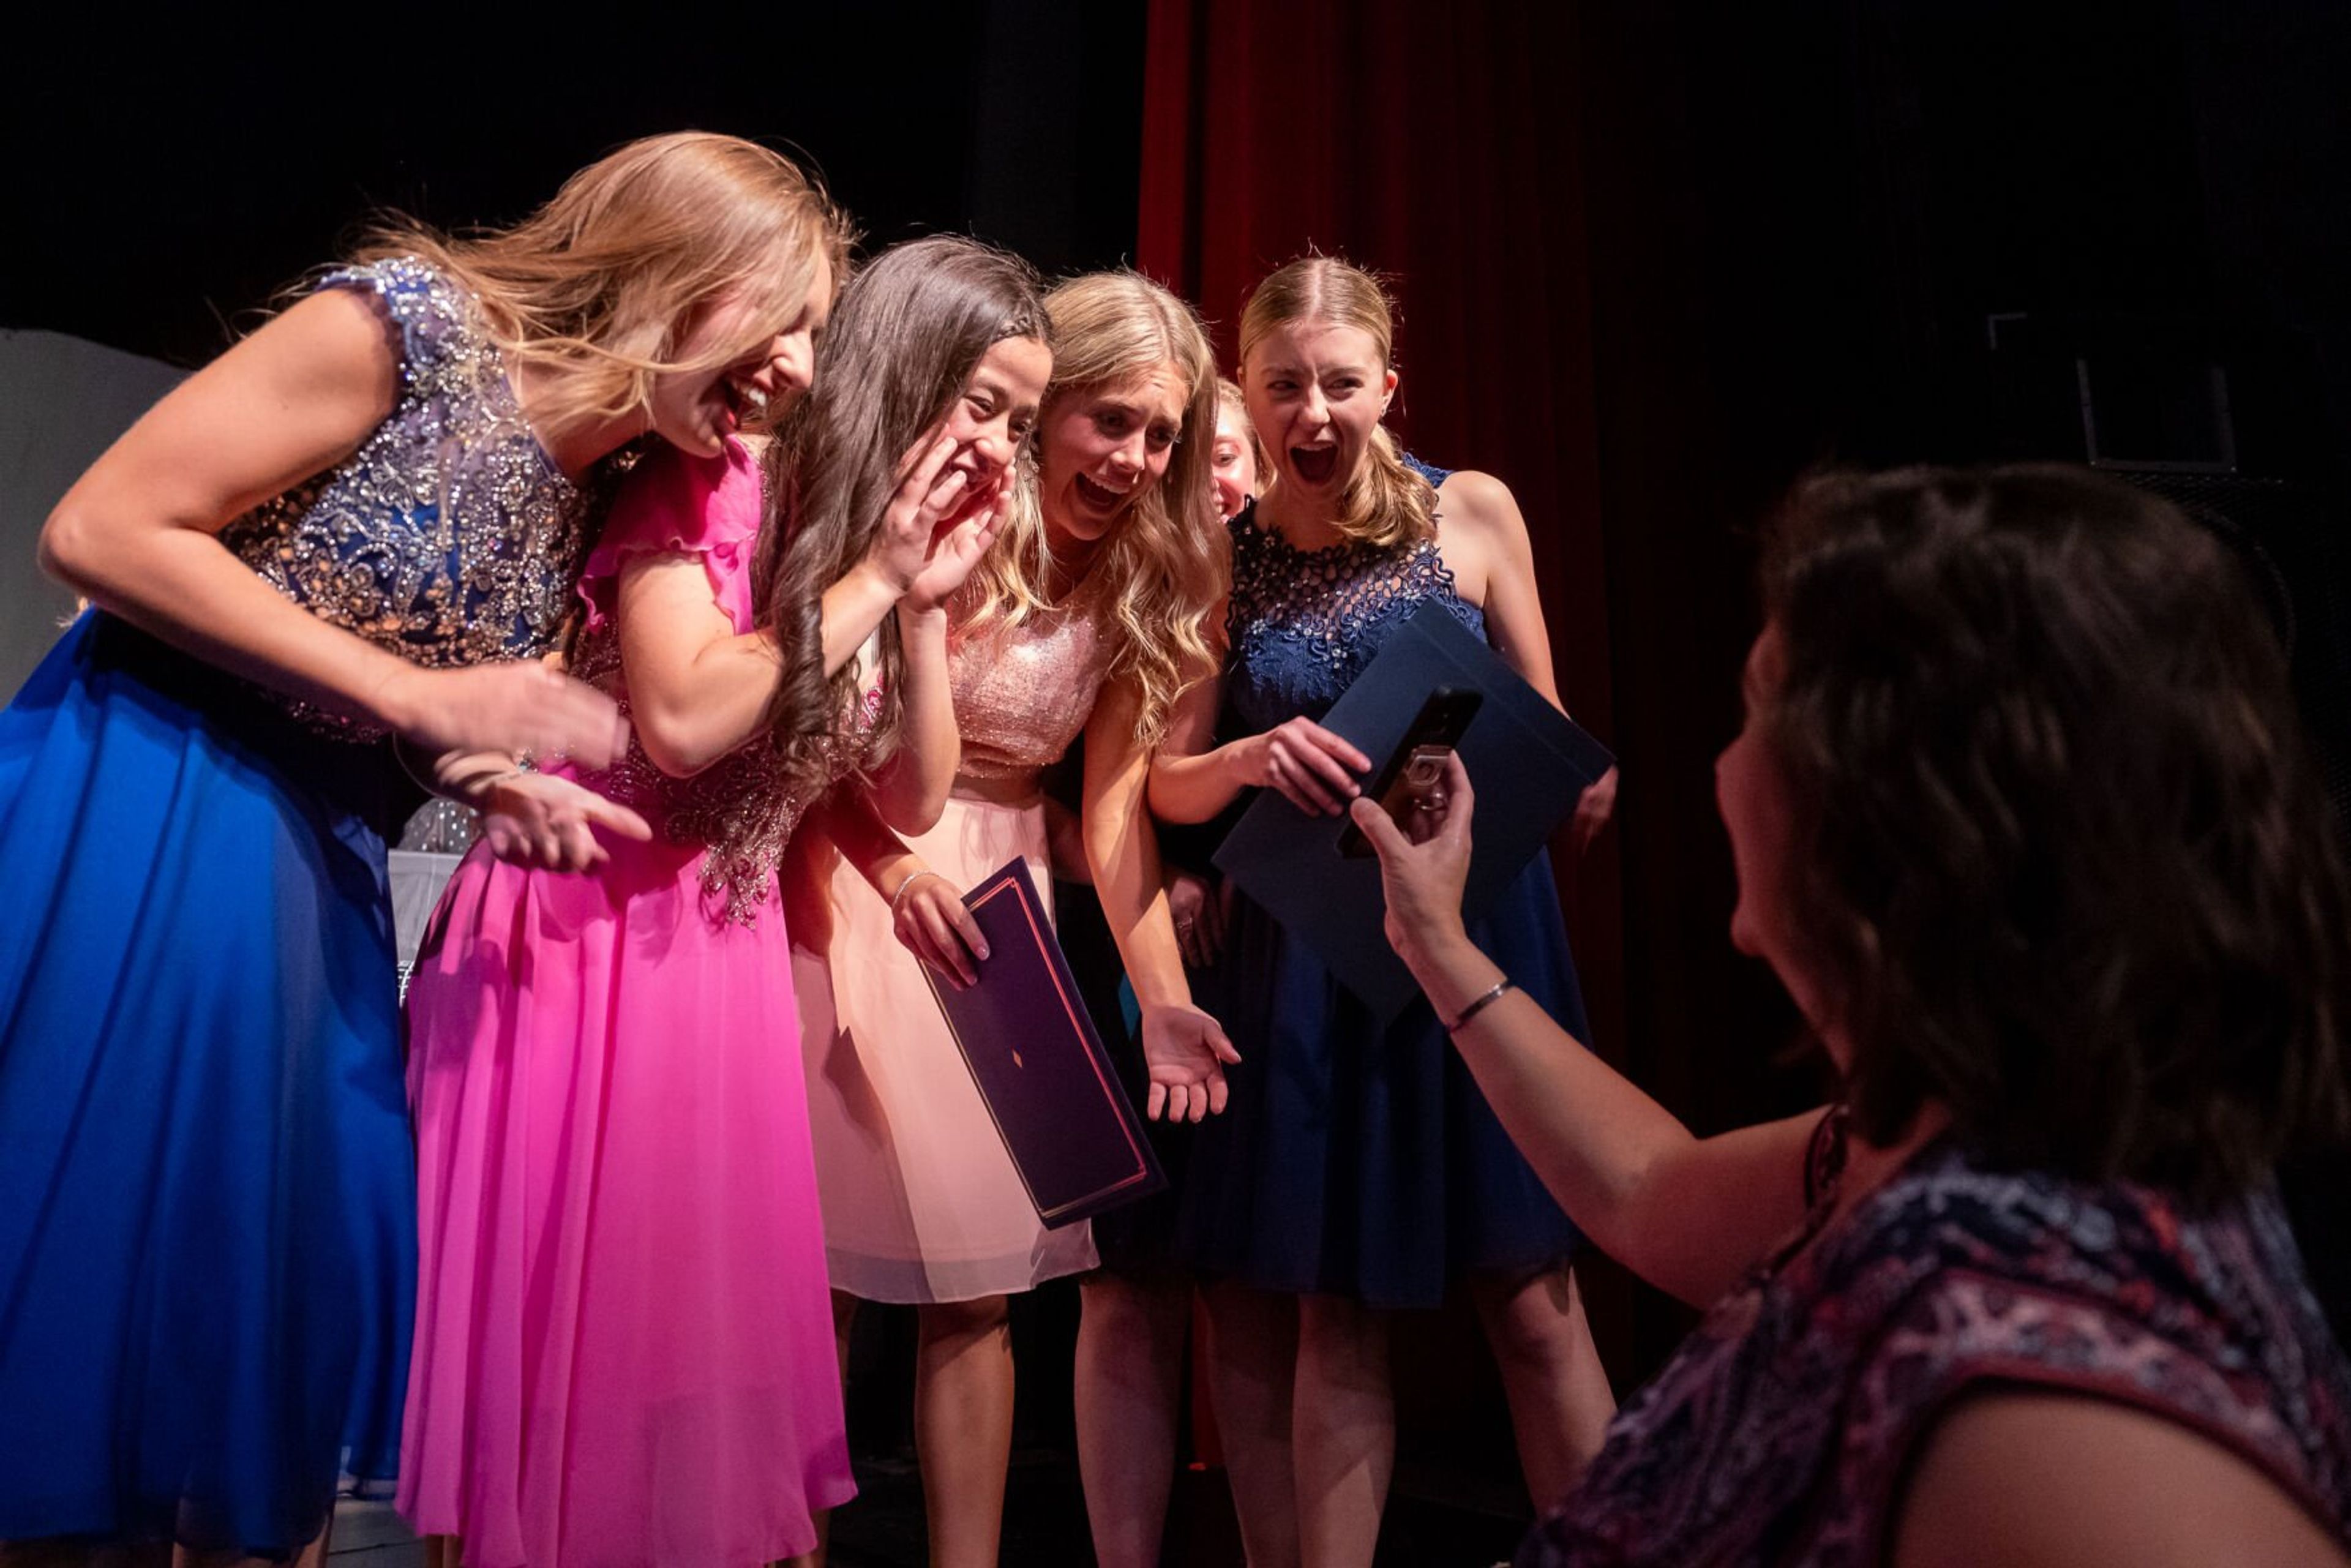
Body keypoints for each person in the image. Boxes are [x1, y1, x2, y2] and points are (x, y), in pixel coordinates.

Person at [0, 131, 831, 1564]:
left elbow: (406, 686)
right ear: (673, 271)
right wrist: (417, 699)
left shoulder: (591, 489)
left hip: (318, 859)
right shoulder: (409, 325)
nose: (803, 370)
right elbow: (101, 526)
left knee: (287, 1300)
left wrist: (480, 769)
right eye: (786, 317)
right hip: (157, 791)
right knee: (99, 1276)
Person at [1355, 463, 2351, 1566]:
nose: (1725, 765)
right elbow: (1648, 1188)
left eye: (1756, 712)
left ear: (1889, 805)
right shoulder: (1964, 1148)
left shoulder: (2043, 1388)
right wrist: (1435, 944)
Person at [398, 234, 1048, 1568]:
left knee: (691, 1376)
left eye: (1021, 424)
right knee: (560, 1384)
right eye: (983, 403)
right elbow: (687, 720)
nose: (998, 444)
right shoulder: (712, 485)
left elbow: (913, 798)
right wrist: (872, 582)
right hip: (591, 939)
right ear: (905, 368)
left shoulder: (868, 544)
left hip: (720, 960)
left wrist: (921, 607)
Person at [1148, 256, 1615, 1567]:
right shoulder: (1216, 559)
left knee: (1530, 1295)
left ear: (1387, 389)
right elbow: (1166, 785)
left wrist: (1586, 780)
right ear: (1246, 390)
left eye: (1340, 385)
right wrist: (1246, 760)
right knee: (1333, 1311)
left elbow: (1551, 720)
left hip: (1480, 931)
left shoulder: (1471, 513)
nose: (1312, 412)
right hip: (1317, 954)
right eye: (1284, 385)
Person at [794, 269, 1234, 1568]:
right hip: (847, 869)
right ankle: (785, 1549)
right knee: (812, 1276)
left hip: (996, 914)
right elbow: (809, 755)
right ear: (1047, 405)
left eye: (1162, 433)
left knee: (979, 1290)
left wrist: (1160, 1000)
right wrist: (884, 862)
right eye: (1111, 420)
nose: (1136, 458)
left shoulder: (1144, 573)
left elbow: (1110, 821)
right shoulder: (937, 519)